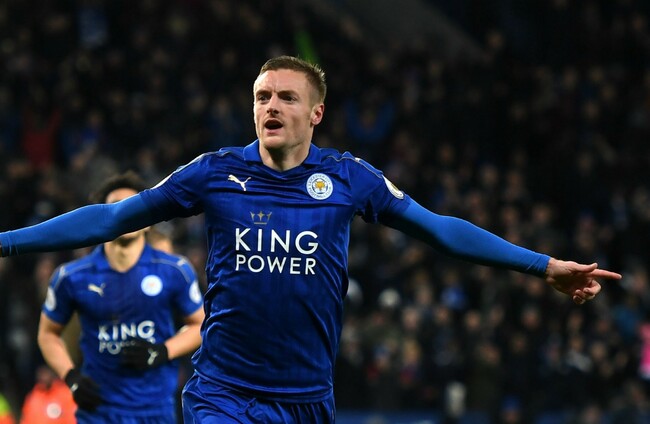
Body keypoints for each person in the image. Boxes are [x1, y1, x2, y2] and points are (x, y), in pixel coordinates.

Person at [0, 56, 621, 423]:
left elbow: (441, 230)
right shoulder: (214, 173)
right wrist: (5, 241)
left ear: (315, 113)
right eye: (262, 97)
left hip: (306, 398)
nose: (270, 106)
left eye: (286, 97)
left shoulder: (350, 179)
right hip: (223, 392)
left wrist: (542, 265)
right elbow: (108, 219)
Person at [34, 171, 205, 424]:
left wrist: (162, 351)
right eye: (115, 207)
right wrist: (71, 377)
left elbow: (200, 325)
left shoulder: (175, 270)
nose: (125, 215)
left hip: (155, 409)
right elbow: (48, 333)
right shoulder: (71, 277)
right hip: (99, 411)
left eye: (133, 207)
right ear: (101, 220)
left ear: (148, 221)